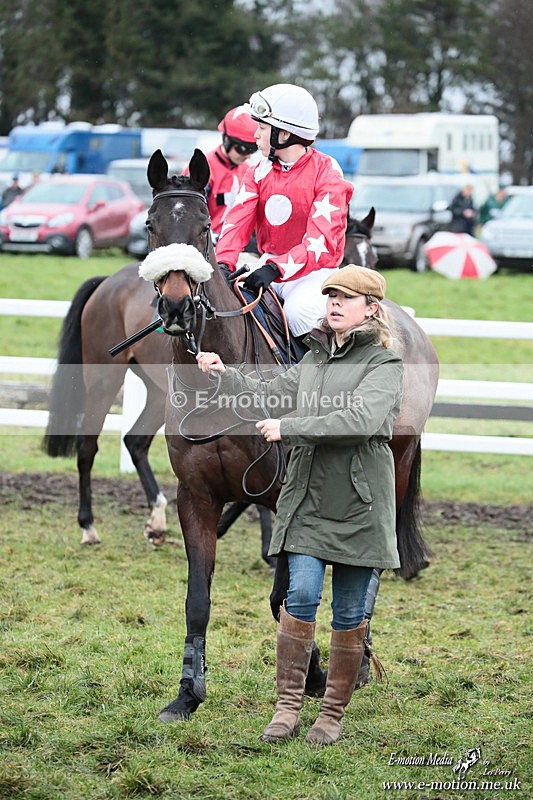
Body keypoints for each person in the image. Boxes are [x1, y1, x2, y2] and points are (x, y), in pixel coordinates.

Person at [196, 264, 403, 747]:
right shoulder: (314, 357)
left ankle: (330, 715)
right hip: (307, 498)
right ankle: (287, 708)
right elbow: (271, 393)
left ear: (371, 309)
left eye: (346, 297)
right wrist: (225, 375)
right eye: (331, 295)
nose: (334, 303)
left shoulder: (385, 365)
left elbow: (360, 419)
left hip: (359, 505)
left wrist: (291, 427)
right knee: (301, 596)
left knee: (349, 614)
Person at [215, 83, 354, 342]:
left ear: (284, 134)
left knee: (298, 313)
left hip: (314, 273)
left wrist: (275, 269)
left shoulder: (327, 170)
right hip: (268, 263)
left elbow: (320, 244)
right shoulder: (257, 171)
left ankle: (317, 368)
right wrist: (223, 263)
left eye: (262, 128)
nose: (255, 135)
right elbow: (236, 224)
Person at [184, 106, 258, 241]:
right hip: (206, 243)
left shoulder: (247, 170)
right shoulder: (202, 168)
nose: (247, 156)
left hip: (235, 243)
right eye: (243, 149)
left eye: (253, 150)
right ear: (226, 140)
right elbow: (188, 214)